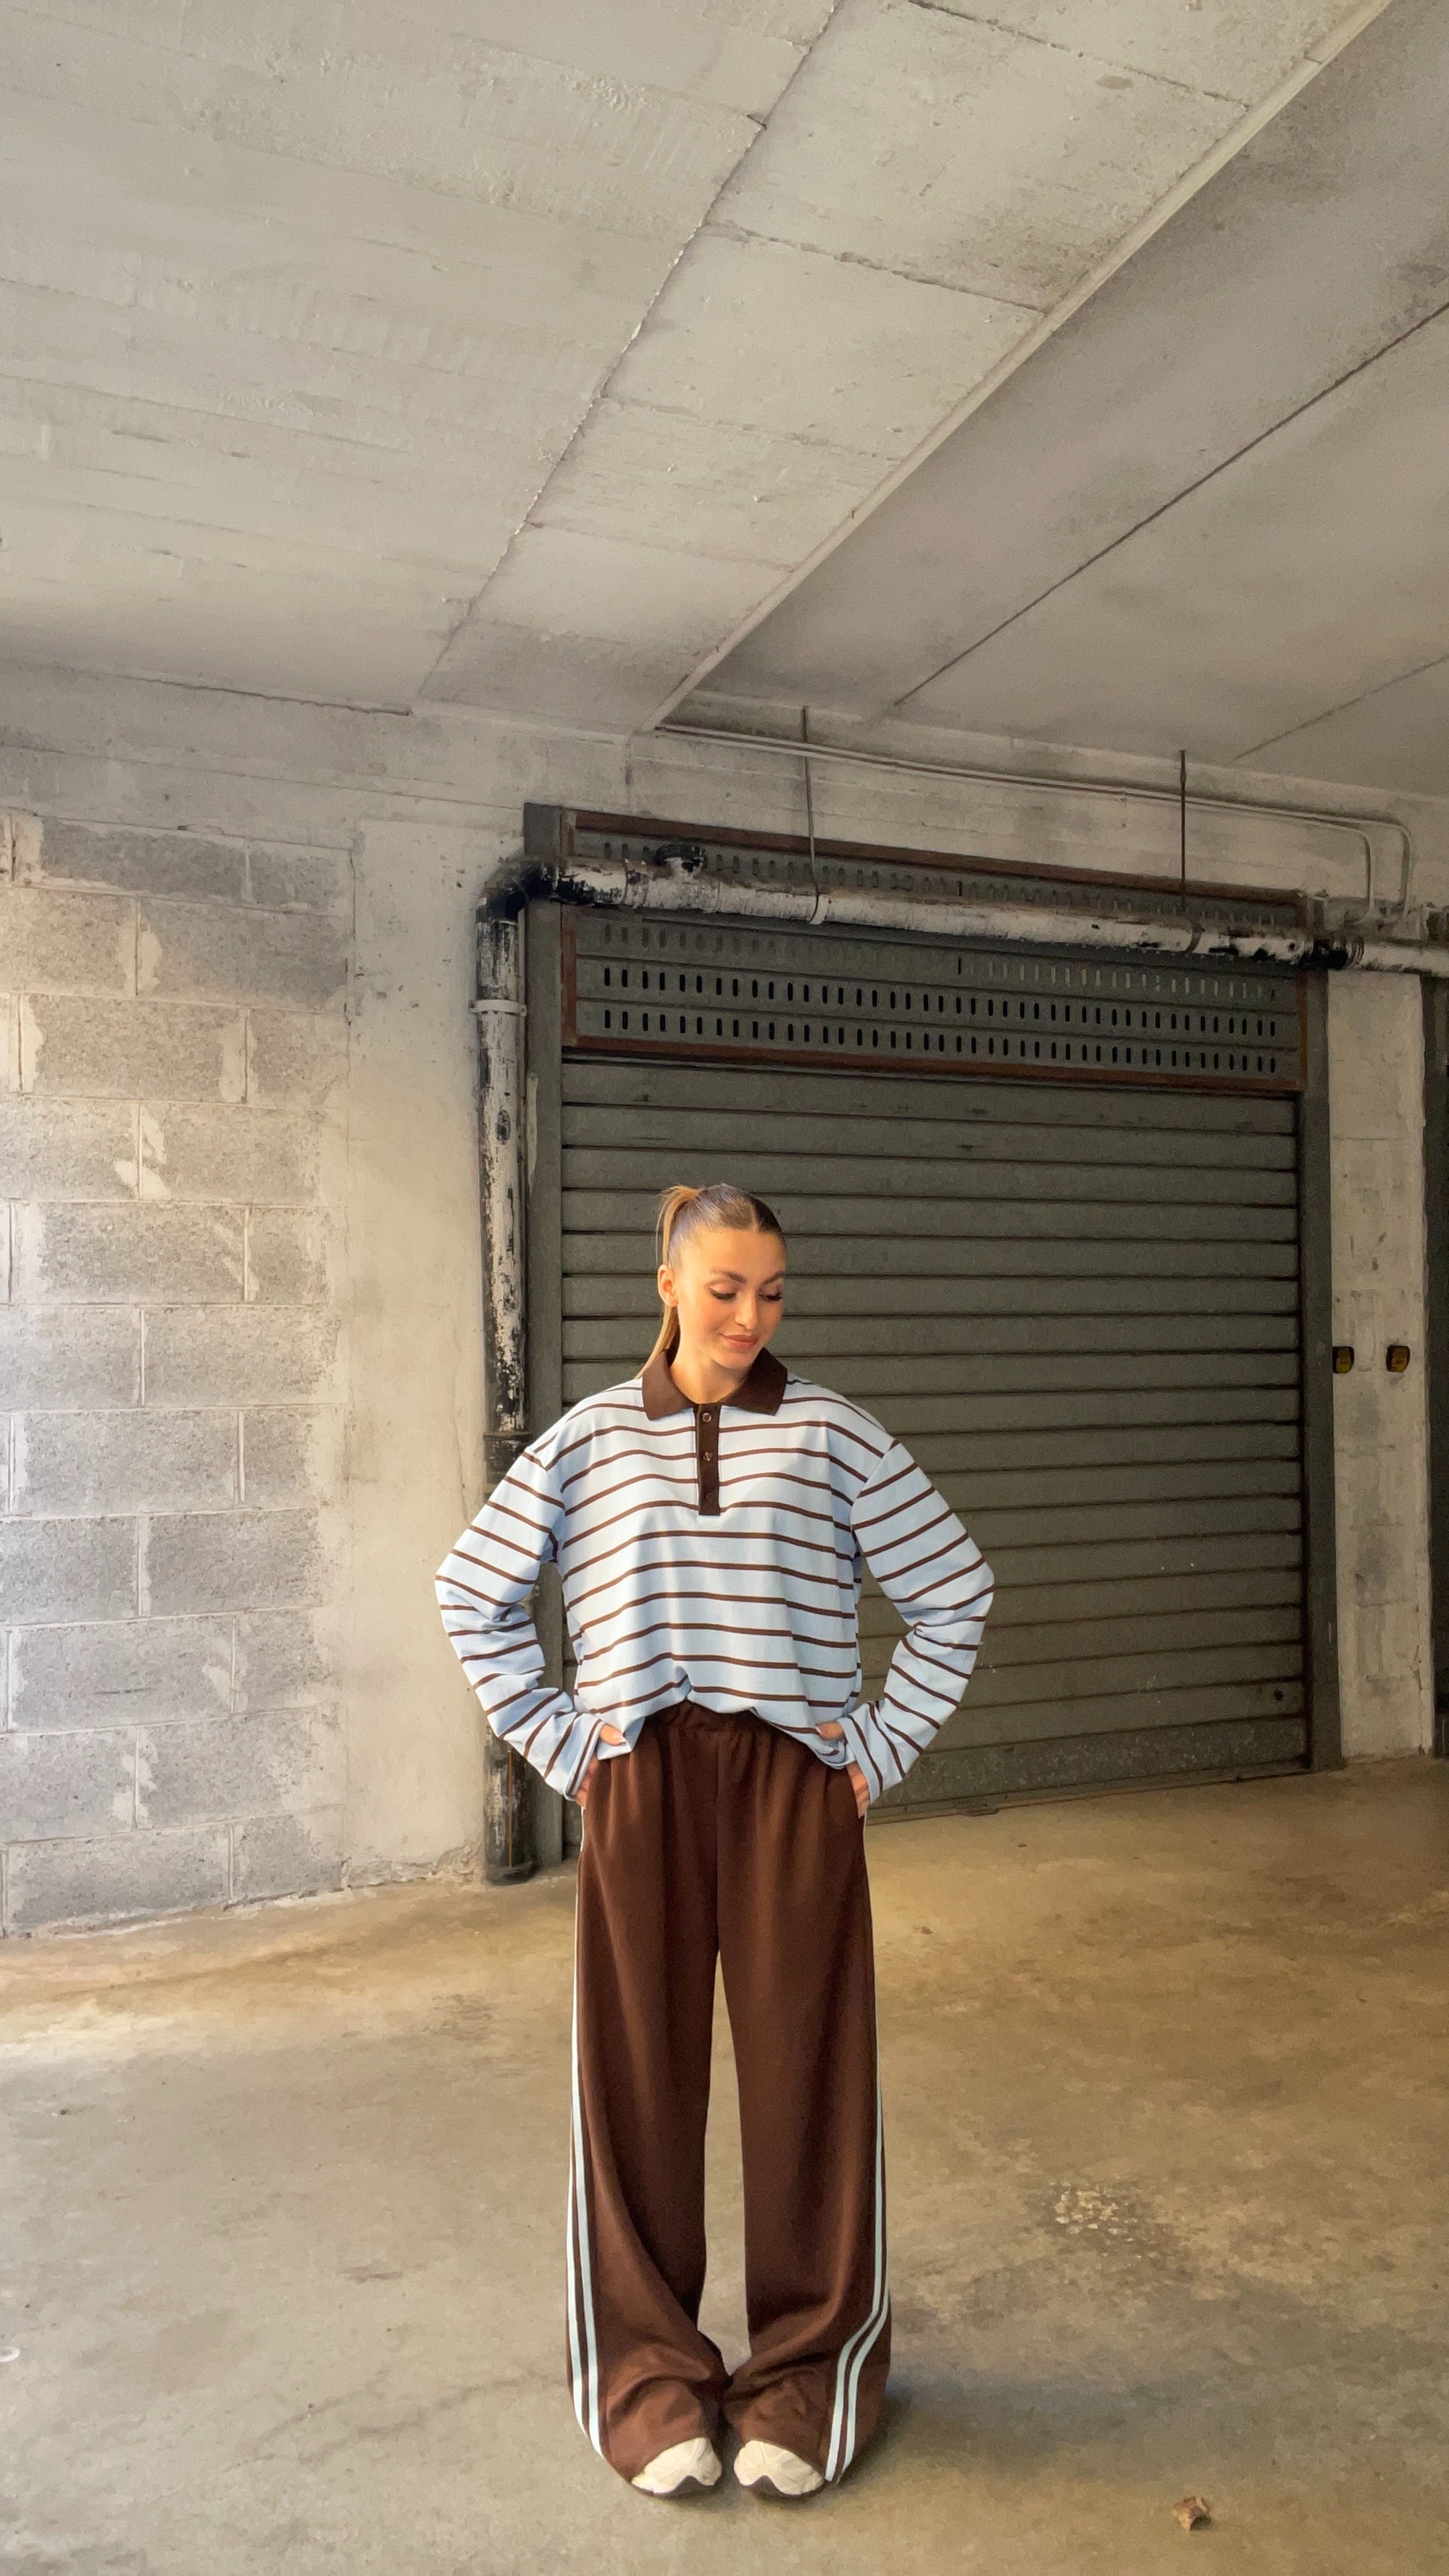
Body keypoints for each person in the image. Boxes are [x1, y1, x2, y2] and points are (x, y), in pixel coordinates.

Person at [436, 1181, 993, 2500]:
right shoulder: (587, 1441)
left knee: (812, 2078)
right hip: (643, 1781)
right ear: (670, 1285)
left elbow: (955, 1591)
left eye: (773, 1293)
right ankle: (648, 2375)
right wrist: (564, 1745)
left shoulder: (834, 1435)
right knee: (636, 2080)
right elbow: (471, 1591)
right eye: (727, 1289)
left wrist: (876, 1748)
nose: (751, 1317)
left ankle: (810, 2373)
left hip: (793, 1784)